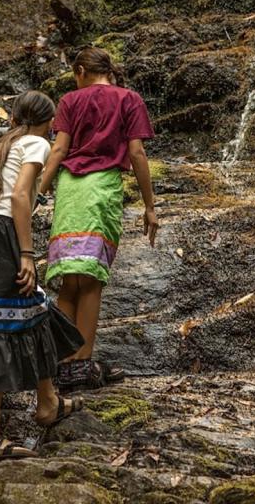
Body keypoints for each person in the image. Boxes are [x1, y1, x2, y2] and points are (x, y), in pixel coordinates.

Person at [0, 90, 86, 460]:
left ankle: (47, 402)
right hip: (0, 234)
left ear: (13, 118)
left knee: (36, 309)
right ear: (50, 123)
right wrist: (27, 253)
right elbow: (18, 197)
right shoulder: (36, 143)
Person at [39, 47, 159, 392]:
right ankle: (82, 361)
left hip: (70, 191)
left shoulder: (70, 101)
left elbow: (59, 150)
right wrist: (150, 205)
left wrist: (37, 192)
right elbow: (136, 152)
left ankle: (63, 362)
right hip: (102, 190)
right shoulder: (129, 99)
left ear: (80, 70)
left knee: (68, 281)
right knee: (91, 279)